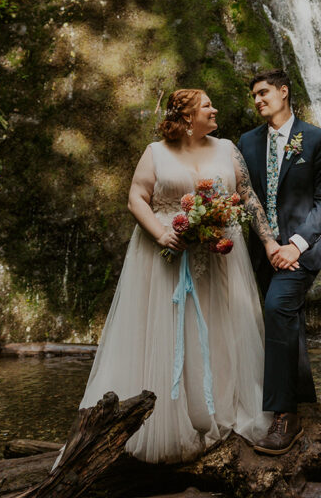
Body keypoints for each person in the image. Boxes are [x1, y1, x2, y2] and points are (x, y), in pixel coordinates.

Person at [75, 88, 277, 463]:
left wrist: (268, 243)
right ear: (187, 118)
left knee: (221, 330)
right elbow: (136, 196)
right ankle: (165, 420)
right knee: (169, 331)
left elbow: (247, 197)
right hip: (166, 257)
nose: (215, 109)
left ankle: (219, 412)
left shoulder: (228, 148)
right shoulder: (155, 153)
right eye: (206, 106)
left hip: (220, 260)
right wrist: (162, 232)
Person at [237, 69, 321, 455]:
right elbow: (245, 196)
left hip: (301, 251)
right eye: (254, 96)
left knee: (278, 307)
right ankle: (303, 398)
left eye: (264, 92)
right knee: (284, 320)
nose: (258, 100)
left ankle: (284, 416)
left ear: (284, 92)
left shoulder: (316, 140)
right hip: (261, 251)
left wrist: (294, 245)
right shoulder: (247, 143)